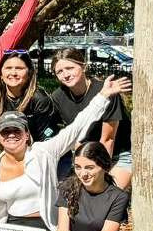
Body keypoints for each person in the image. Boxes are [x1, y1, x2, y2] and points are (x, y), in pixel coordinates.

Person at [0, 75, 130, 231]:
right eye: (6, 131)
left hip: (44, 225)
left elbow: (77, 126)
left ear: (27, 135)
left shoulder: (44, 152)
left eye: (16, 130)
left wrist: (103, 95)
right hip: (12, 227)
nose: (11, 135)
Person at [43, 142, 131, 231]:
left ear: (104, 167)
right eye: (78, 167)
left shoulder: (118, 197)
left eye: (90, 168)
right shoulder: (68, 189)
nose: (83, 174)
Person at [48, 49, 132, 189]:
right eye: (60, 72)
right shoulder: (58, 97)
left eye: (70, 68)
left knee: (106, 196)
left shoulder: (106, 91)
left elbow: (108, 140)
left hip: (116, 154)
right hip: (85, 157)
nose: (66, 75)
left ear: (83, 66)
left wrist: (97, 176)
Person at [0, 50, 59, 152]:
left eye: (19, 68)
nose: (13, 73)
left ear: (29, 73)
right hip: (4, 152)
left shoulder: (40, 99)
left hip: (36, 153)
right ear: (0, 73)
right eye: (8, 68)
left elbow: (45, 137)